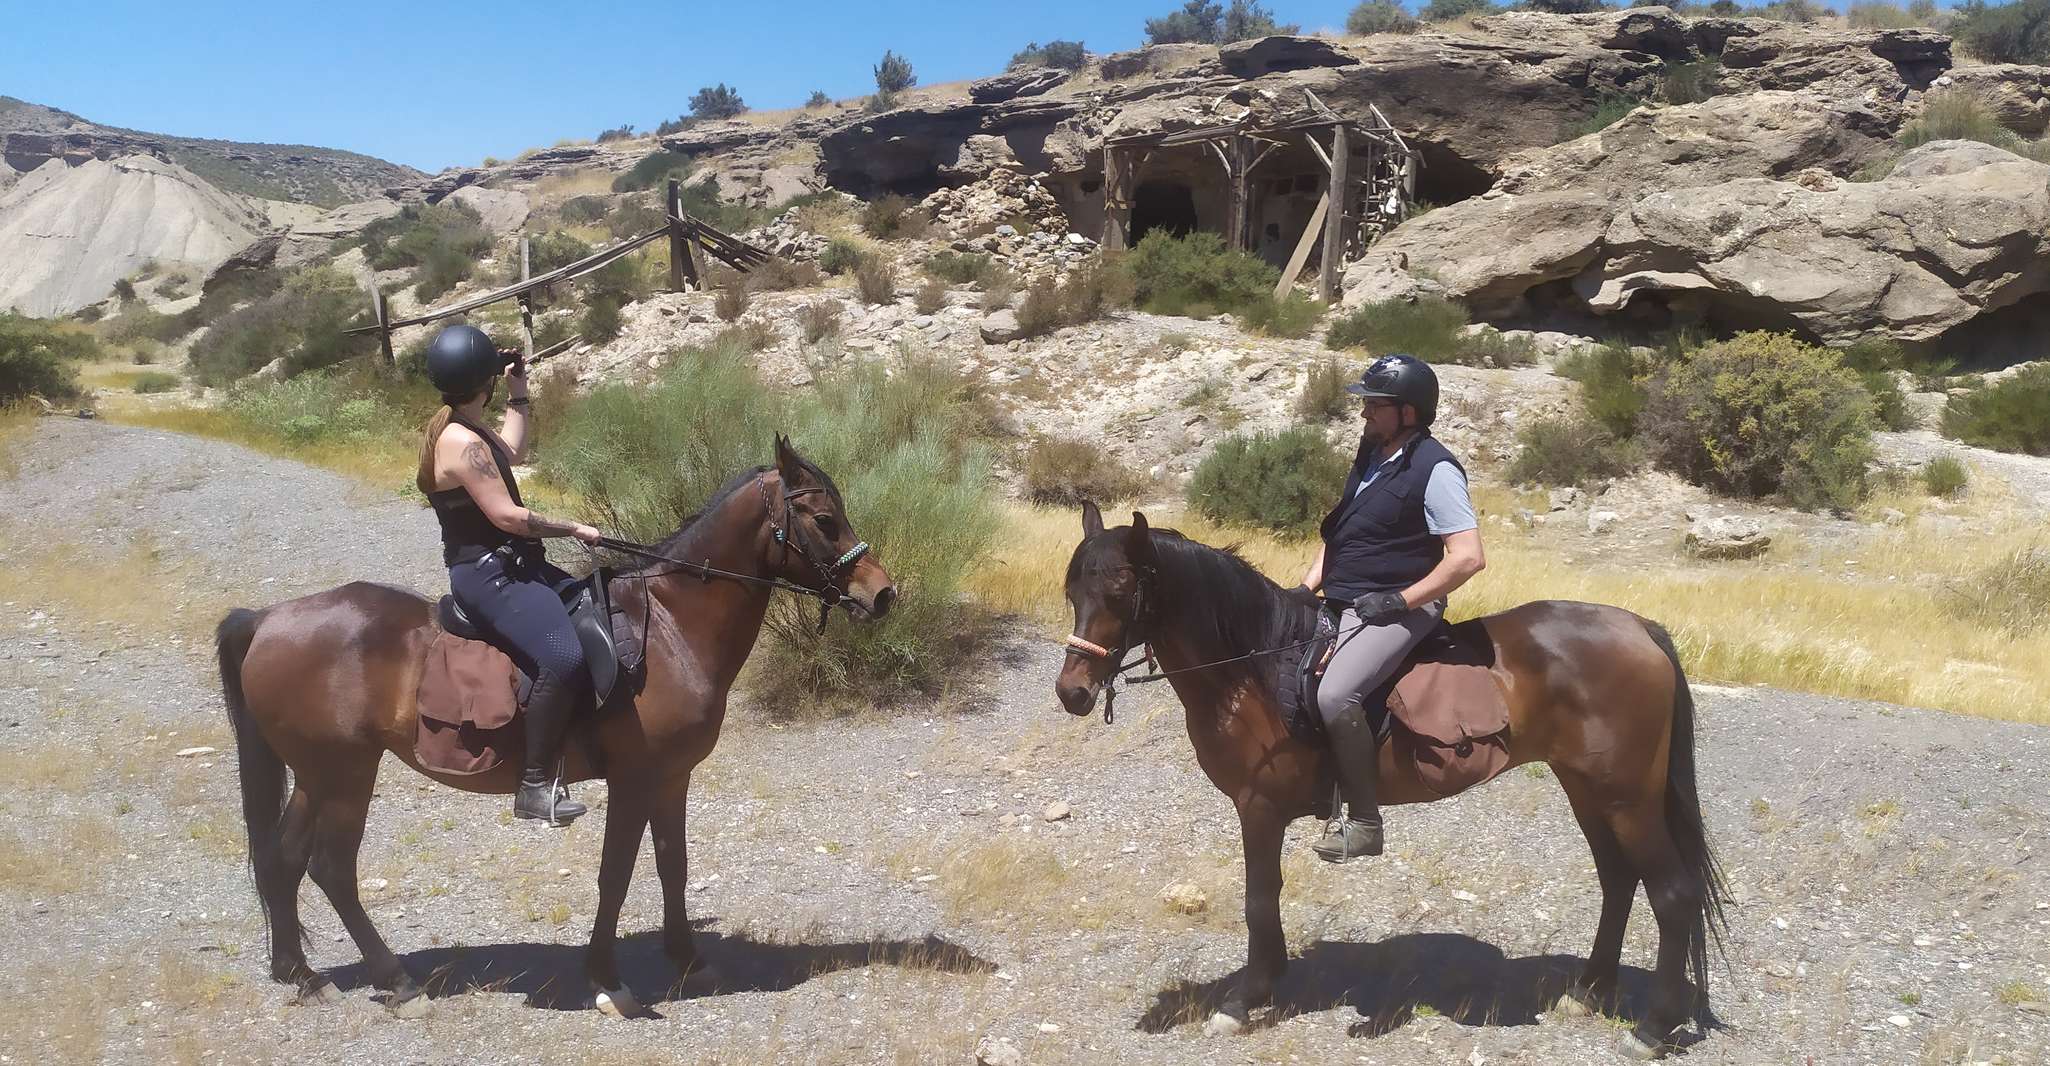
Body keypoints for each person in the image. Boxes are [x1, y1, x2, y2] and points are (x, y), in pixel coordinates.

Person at [1296, 353, 1486, 863]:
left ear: (1408, 412)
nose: (1364, 415)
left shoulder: (1436, 469)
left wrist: (1400, 600)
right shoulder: (1371, 454)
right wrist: (1305, 585)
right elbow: (1343, 533)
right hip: (1345, 595)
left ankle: (1363, 822)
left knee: (1336, 693)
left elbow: (1468, 557)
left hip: (1399, 607)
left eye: (1375, 406)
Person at [416, 324, 603, 827]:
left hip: (512, 564)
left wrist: (520, 390)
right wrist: (573, 527)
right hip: (487, 575)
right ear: (485, 381)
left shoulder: (463, 428)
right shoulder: (460, 442)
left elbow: (512, 453)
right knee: (563, 657)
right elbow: (507, 517)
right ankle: (535, 786)